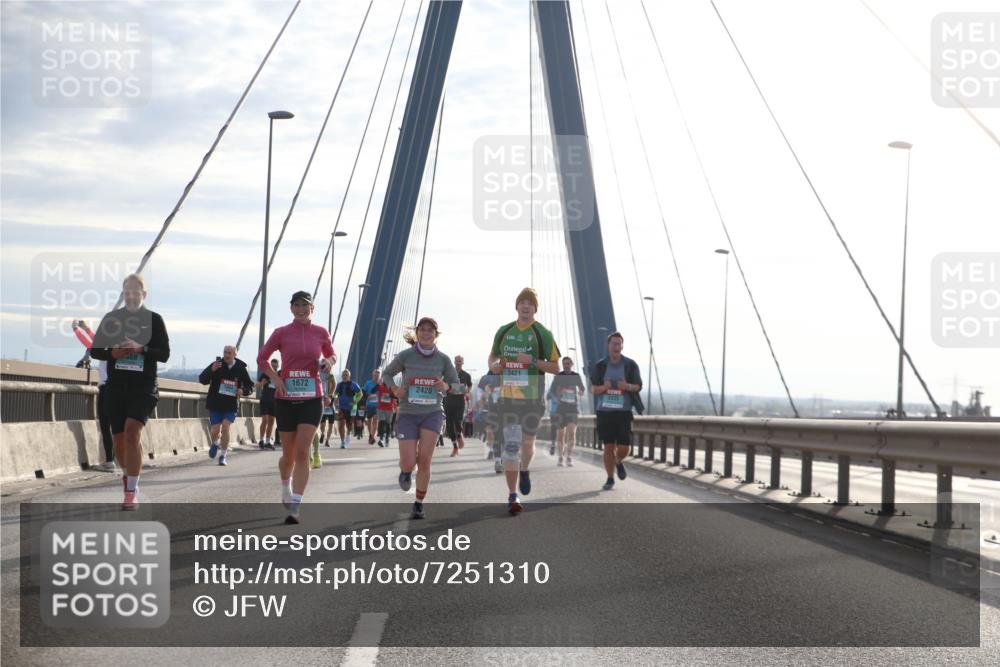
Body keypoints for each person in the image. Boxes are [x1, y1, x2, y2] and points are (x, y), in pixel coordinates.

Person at [89, 273, 170, 510]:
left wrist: (141, 348)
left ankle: (131, 491)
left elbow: (164, 354)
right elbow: (95, 351)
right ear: (123, 294)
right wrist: (111, 354)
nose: (132, 295)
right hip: (116, 387)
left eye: (136, 292)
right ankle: (128, 476)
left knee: (133, 432)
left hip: (143, 387)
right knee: (119, 442)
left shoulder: (155, 320)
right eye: (127, 292)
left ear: (144, 295)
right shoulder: (112, 319)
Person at [257, 290, 336, 524]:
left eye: (305, 305)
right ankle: (285, 487)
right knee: (288, 456)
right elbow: (262, 358)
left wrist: (328, 363)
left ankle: (296, 504)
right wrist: (275, 379)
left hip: (312, 399)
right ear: (291, 308)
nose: (301, 309)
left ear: (312, 308)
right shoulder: (281, 333)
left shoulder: (321, 332)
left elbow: (331, 355)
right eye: (297, 305)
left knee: (303, 452)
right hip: (286, 399)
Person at [489, 287, 560, 514]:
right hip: (508, 398)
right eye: (522, 302)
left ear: (535, 308)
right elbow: (493, 356)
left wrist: (532, 361)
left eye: (530, 303)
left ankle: (525, 469)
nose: (526, 306)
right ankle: (512, 495)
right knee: (511, 445)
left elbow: (556, 367)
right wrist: (493, 365)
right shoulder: (504, 331)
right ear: (517, 306)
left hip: (532, 399)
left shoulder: (543, 334)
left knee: (527, 445)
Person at [383, 317, 462, 520]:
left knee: (425, 461)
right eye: (423, 330)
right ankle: (406, 471)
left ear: (436, 335)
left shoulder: (443, 359)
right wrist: (394, 389)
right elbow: (387, 373)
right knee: (409, 461)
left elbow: (459, 386)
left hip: (432, 413)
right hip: (408, 413)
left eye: (430, 331)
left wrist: (446, 387)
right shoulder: (406, 356)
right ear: (417, 333)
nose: (426, 333)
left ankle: (418, 503)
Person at [591, 331, 644, 490]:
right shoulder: (600, 366)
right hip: (604, 412)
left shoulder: (630, 365)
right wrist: (604, 387)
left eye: (619, 344)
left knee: (624, 447)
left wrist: (626, 386)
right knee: (608, 447)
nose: (616, 346)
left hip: (623, 412)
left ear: (622, 346)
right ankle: (609, 478)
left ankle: (619, 461)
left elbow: (638, 386)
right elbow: (593, 389)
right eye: (613, 343)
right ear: (608, 346)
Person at [199, 345, 255, 467]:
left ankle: (223, 456)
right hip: (216, 403)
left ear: (235, 354)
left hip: (231, 404)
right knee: (215, 430)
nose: (227, 355)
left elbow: (250, 386)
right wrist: (211, 370)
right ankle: (215, 443)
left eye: (229, 353)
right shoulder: (217, 364)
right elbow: (202, 379)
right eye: (225, 352)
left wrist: (243, 390)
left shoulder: (241, 368)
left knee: (225, 427)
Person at [546, 356, 585, 466]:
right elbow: (551, 393)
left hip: (572, 408)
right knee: (560, 434)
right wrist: (558, 395)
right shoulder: (558, 377)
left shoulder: (576, 376)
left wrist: (581, 392)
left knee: (572, 432)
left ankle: (569, 457)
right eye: (564, 363)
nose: (566, 365)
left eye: (568, 363)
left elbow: (582, 388)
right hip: (561, 408)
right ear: (563, 365)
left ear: (572, 364)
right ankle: (560, 457)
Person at [442, 354, 473, 457]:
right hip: (448, 402)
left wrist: (464, 390)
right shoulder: (448, 374)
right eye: (457, 361)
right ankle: (455, 447)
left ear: (462, 362)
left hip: (460, 403)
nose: (458, 362)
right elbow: (444, 386)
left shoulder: (466, 375)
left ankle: (459, 434)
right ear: (454, 362)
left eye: (460, 361)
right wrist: (451, 388)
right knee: (449, 425)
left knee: (458, 422)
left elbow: (469, 388)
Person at [92, 359, 116, 471]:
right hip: (119, 387)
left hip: (106, 387)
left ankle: (110, 460)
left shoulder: (105, 346)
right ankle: (119, 459)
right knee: (118, 427)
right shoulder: (124, 344)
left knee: (105, 426)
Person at [477, 369, 502, 472]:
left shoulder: (509, 374)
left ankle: (502, 457)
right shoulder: (485, 378)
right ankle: (496, 457)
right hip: (489, 408)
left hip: (507, 408)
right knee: (491, 431)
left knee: (502, 433)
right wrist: (482, 405)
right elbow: (480, 395)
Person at [333, 370, 361, 449]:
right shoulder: (339, 385)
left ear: (349, 376)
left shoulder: (353, 384)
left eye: (346, 375)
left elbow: (360, 394)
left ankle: (348, 434)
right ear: (342, 376)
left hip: (351, 408)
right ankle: (342, 442)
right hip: (341, 408)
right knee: (341, 425)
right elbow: (335, 394)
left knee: (349, 425)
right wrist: (335, 399)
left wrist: (355, 401)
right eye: (343, 375)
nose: (345, 376)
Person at [256, 358, 280, 450]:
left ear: (278, 366)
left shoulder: (279, 375)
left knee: (271, 421)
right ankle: (261, 440)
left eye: (275, 366)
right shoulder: (265, 374)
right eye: (272, 366)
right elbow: (257, 385)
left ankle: (267, 441)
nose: (274, 368)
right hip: (265, 399)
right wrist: (262, 383)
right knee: (265, 420)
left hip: (275, 401)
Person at [362, 370, 381, 444]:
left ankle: (372, 436)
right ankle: (370, 434)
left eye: (377, 376)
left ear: (379, 376)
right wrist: (368, 396)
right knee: (369, 421)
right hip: (369, 405)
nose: (376, 377)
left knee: (375, 420)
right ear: (372, 376)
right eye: (375, 376)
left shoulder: (381, 384)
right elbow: (363, 392)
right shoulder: (368, 383)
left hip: (377, 406)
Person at [375, 373, 394, 447]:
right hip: (381, 408)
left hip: (389, 409)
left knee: (388, 424)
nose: (385, 382)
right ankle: (381, 439)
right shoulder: (380, 387)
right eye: (384, 380)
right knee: (381, 423)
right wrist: (378, 380)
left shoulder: (392, 388)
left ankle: (387, 438)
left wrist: (392, 395)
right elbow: (374, 389)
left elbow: (396, 397)